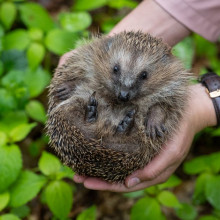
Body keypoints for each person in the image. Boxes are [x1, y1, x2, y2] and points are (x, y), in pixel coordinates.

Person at [59, 0, 220, 192]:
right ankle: (103, 123)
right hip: (82, 126)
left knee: (153, 122)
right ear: (106, 52)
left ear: (163, 67)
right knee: (75, 99)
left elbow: (168, 106)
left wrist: (203, 107)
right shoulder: (95, 55)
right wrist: (69, 82)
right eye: (116, 70)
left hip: (129, 145)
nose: (124, 91)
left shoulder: (169, 80)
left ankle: (109, 126)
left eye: (143, 76)